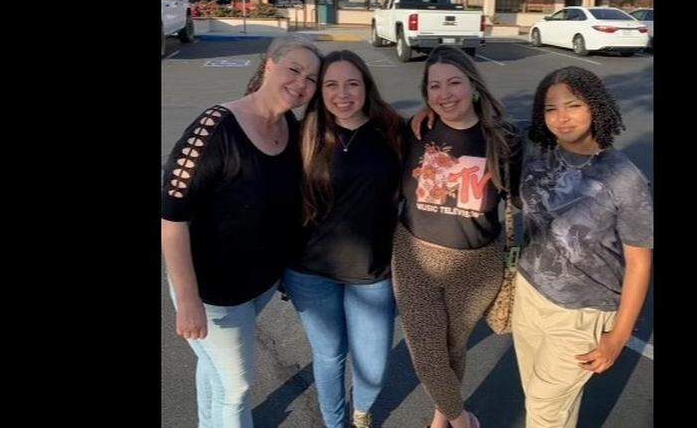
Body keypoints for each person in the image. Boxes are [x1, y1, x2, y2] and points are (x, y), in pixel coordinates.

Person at [161, 35, 323, 428]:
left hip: (260, 286)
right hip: (213, 292)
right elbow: (171, 217)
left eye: (312, 78)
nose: (302, 83)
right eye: (294, 70)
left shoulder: (290, 127)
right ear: (269, 65)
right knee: (236, 388)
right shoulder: (213, 128)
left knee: (214, 367)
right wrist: (187, 300)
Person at [512, 66, 653, 428]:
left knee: (545, 411)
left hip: (581, 314)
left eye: (573, 105)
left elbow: (639, 263)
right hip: (528, 296)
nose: (561, 118)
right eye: (550, 109)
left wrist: (618, 337)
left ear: (595, 107)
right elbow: (478, 120)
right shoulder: (536, 152)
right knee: (542, 400)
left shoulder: (623, 177)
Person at [392, 45, 523, 428]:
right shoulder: (414, 130)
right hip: (416, 254)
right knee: (427, 351)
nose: (445, 94)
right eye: (435, 86)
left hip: (478, 262)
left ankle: (440, 416)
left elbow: (518, 198)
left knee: (452, 345)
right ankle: (461, 419)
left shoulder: (505, 139)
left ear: (475, 86)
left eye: (454, 83)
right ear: (426, 93)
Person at [281, 50, 403, 428]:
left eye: (352, 83)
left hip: (372, 271)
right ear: (320, 91)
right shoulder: (302, 134)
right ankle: (335, 423)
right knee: (330, 355)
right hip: (310, 271)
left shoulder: (394, 130)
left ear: (366, 86)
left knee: (372, 362)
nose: (342, 94)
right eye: (331, 84)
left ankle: (362, 411)